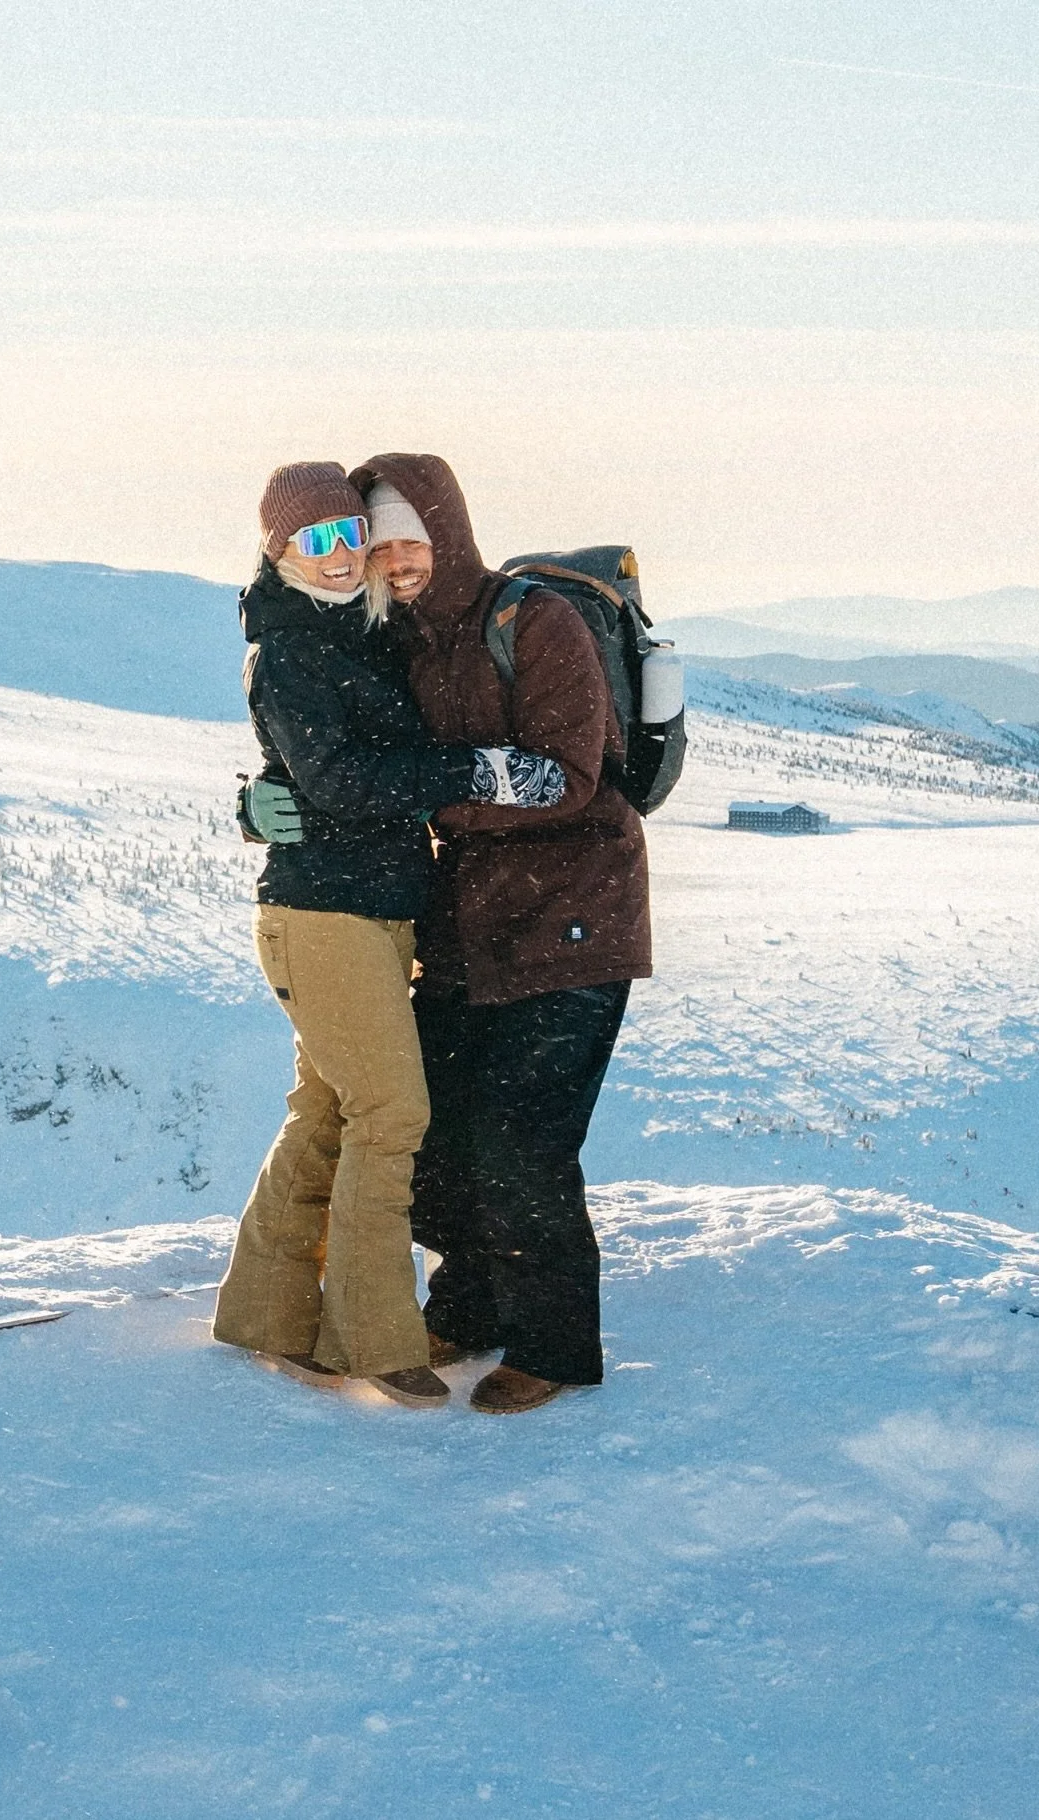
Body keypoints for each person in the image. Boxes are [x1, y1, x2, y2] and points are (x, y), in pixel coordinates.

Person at [211, 461, 565, 1408]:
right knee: (391, 1114)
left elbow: (317, 770)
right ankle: (368, 1336)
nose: (338, 556)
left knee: (327, 1112)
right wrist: (477, 773)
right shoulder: (288, 648)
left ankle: (266, 1313)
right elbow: (337, 779)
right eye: (315, 539)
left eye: (348, 536)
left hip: (372, 909)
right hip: (321, 913)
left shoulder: (361, 630)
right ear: (277, 548)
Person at [350, 454, 653, 1415]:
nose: (397, 560)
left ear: (448, 530)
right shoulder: (394, 640)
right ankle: (469, 1304)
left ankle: (552, 1345)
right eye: (379, 544)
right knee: (437, 1141)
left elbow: (564, 775)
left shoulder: (535, 622)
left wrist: (432, 782)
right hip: (467, 929)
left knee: (521, 1146)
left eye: (411, 537)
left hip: (574, 919)